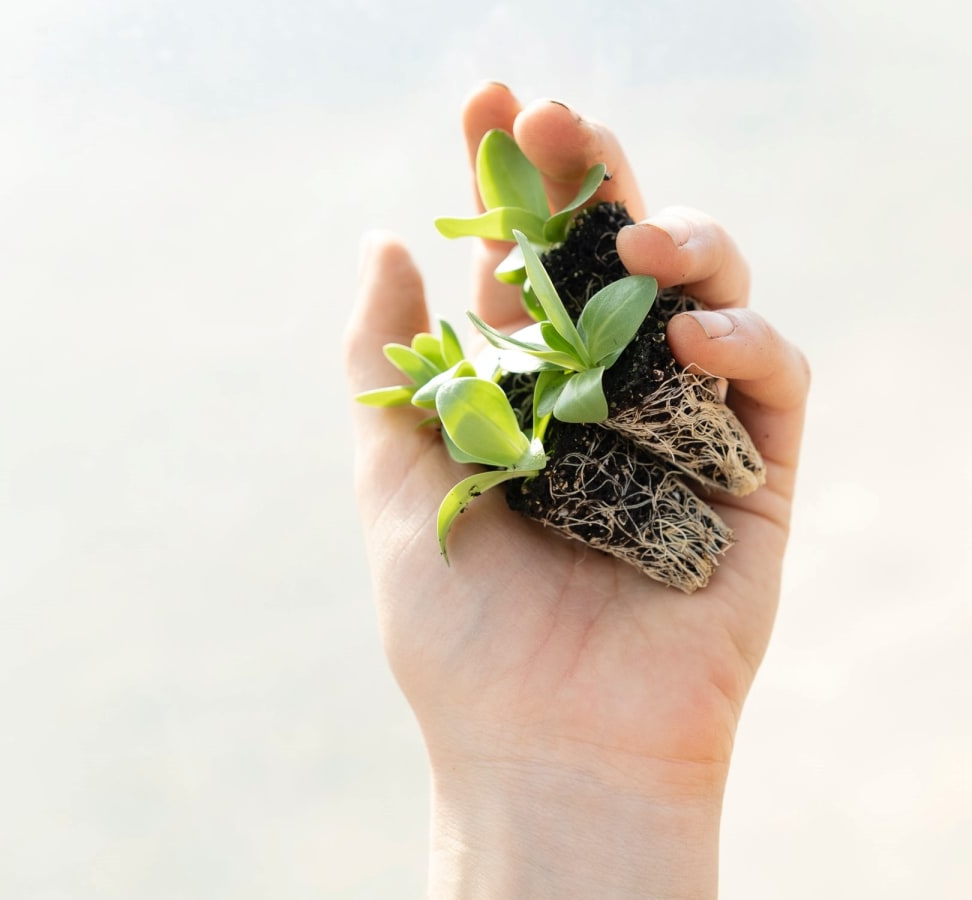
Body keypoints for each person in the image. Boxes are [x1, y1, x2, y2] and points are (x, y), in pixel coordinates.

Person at [343, 82, 810, 899]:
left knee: (658, 295)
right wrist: (524, 774)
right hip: (546, 438)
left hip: (595, 383)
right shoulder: (513, 476)